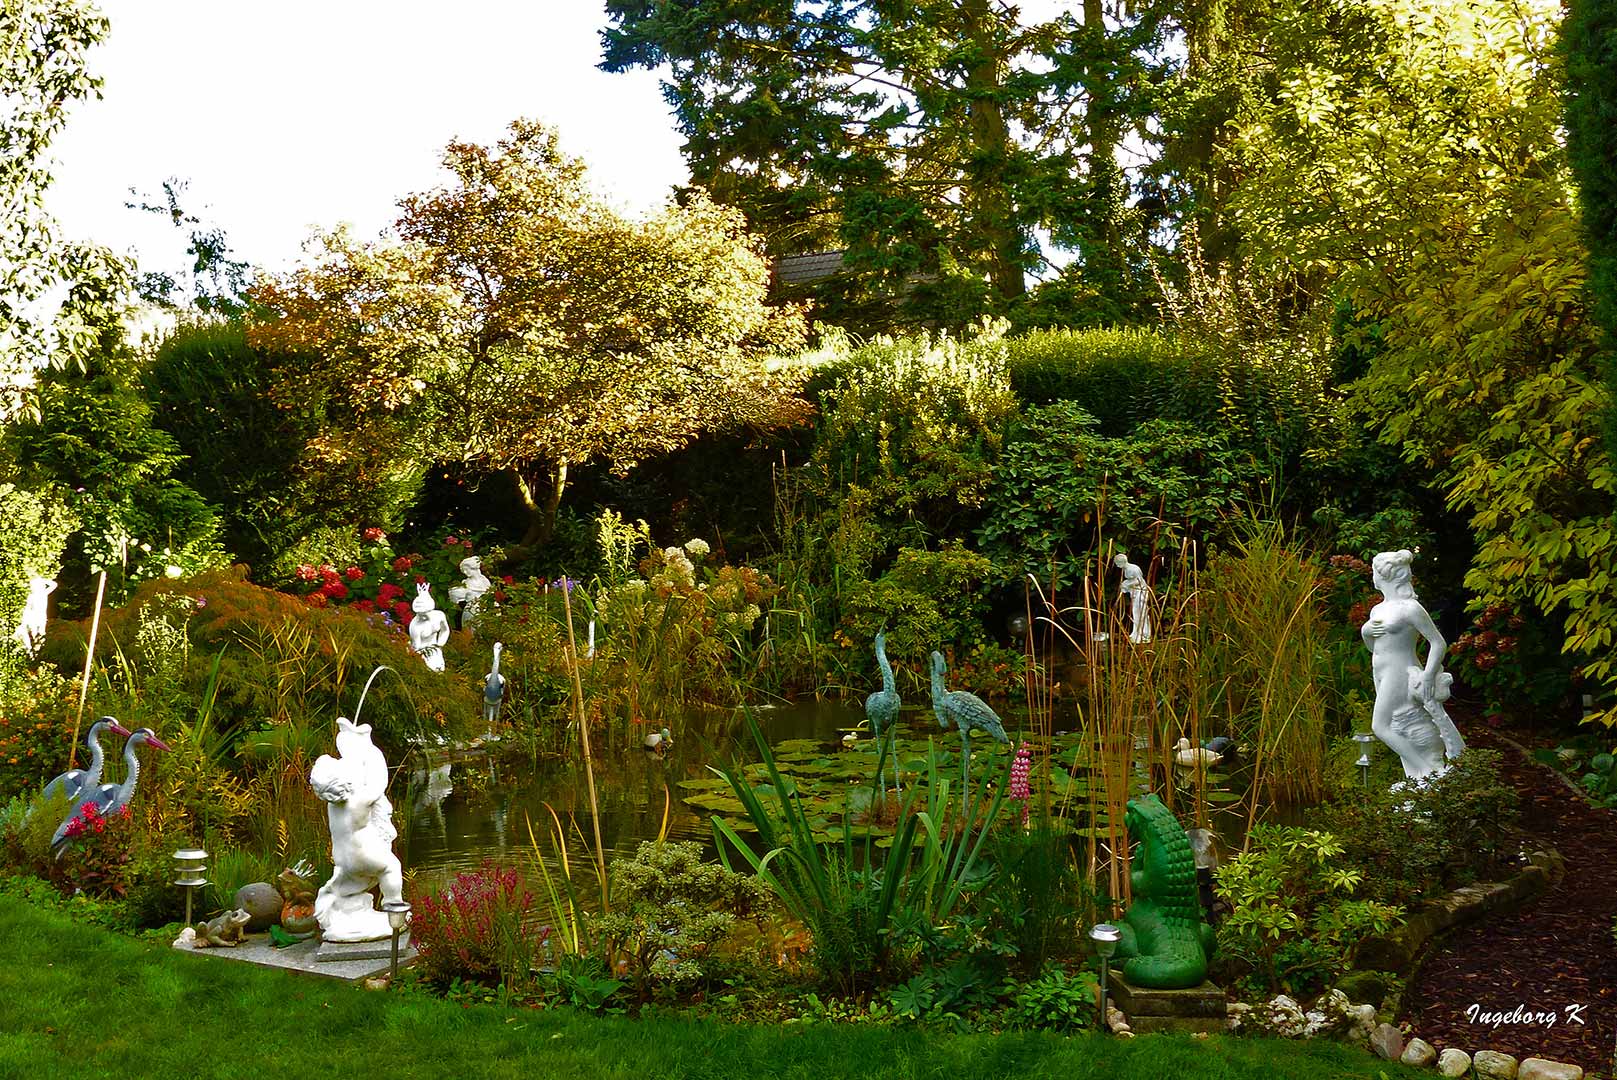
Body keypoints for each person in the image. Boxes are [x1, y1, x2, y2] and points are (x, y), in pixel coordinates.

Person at [1361, 549, 1464, 784]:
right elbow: (1372, 647)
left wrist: (1428, 676)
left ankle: (1428, 772)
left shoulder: (1410, 608)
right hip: (1380, 672)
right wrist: (1365, 631)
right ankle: (1417, 777)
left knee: (1380, 725)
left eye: (1374, 573)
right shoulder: (1377, 610)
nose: (1372, 578)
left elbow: (1438, 642)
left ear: (1385, 577)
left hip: (1400, 671)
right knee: (1396, 726)